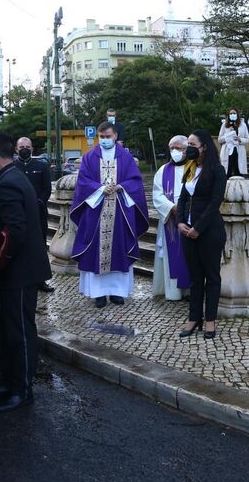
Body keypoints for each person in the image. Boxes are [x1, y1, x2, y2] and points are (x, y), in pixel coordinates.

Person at [0, 133, 51, 412]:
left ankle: (22, 389)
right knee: (9, 330)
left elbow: (14, 231)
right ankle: (10, 382)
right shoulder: (16, 176)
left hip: (18, 272)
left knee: (19, 331)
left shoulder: (7, 183)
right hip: (20, 270)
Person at [70, 121, 149, 308]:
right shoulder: (89, 157)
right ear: (98, 136)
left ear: (115, 137)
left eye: (108, 136)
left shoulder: (126, 158)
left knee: (119, 250)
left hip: (119, 213)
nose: (105, 140)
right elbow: (83, 182)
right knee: (95, 251)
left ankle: (116, 293)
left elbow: (135, 181)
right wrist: (99, 189)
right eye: (102, 137)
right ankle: (98, 294)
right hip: (96, 213)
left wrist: (122, 187)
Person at [176, 130, 227, 339]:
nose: (188, 147)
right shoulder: (190, 168)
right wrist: (180, 221)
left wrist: (198, 228)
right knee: (195, 277)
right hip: (187, 231)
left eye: (192, 143)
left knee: (212, 277)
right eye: (187, 143)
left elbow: (215, 202)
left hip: (209, 231)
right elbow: (182, 199)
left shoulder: (217, 170)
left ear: (204, 146)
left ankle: (210, 320)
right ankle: (194, 317)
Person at [152, 135, 191, 301]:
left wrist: (186, 211)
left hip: (190, 218)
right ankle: (173, 292)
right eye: (172, 148)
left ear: (186, 150)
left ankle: (190, 291)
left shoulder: (194, 168)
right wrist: (171, 208)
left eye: (179, 148)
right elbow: (157, 194)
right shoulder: (163, 170)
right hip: (170, 220)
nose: (175, 151)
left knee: (190, 255)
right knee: (171, 256)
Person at [14, 136, 54, 292]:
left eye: (28, 147)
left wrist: (38, 203)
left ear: (32, 149)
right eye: (21, 146)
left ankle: (40, 280)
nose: (25, 149)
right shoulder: (12, 166)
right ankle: (21, 278)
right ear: (16, 149)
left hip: (38, 213)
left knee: (40, 247)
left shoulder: (41, 166)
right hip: (18, 213)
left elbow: (47, 189)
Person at [218, 109, 249, 178]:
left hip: (239, 151)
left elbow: (248, 139)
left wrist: (240, 139)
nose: (232, 115)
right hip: (227, 151)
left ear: (237, 114)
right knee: (227, 172)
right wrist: (227, 136)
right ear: (228, 115)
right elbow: (219, 140)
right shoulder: (224, 125)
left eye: (234, 113)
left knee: (238, 173)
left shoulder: (243, 125)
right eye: (231, 113)